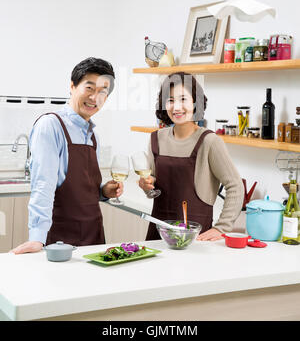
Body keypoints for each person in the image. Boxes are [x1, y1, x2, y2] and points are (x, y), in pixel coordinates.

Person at [12, 57, 122, 254]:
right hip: (60, 239)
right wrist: (37, 238)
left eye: (102, 92)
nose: (94, 97)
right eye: (89, 87)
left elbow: (81, 189)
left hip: (95, 236)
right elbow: (43, 186)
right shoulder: (51, 126)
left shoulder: (93, 135)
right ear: (72, 86)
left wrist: (104, 192)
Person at [138, 72, 244, 241]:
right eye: (170, 100)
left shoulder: (209, 141)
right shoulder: (155, 139)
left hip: (196, 237)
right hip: (159, 234)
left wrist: (221, 227)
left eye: (183, 100)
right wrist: (146, 186)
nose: (176, 107)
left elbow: (235, 186)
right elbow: (153, 190)